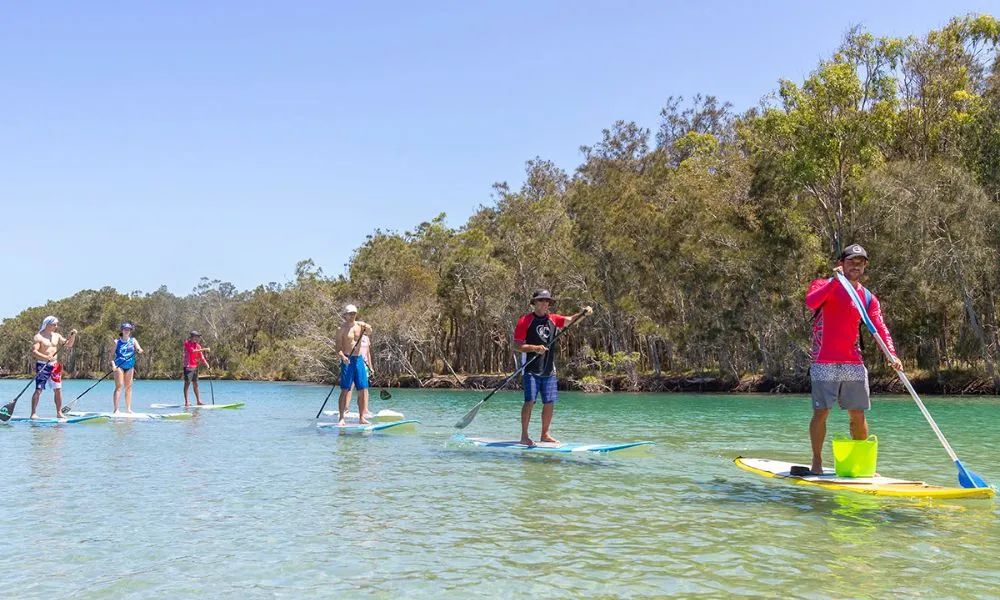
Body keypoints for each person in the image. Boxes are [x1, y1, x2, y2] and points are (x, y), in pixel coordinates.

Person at [805, 244, 902, 474]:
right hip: (824, 361)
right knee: (822, 412)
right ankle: (817, 461)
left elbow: (879, 327)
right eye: (851, 261)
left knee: (858, 414)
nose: (855, 265)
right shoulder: (824, 285)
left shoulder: (868, 298)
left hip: (853, 362)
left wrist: (892, 354)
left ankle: (860, 464)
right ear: (842, 263)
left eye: (860, 262)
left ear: (865, 266)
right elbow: (811, 302)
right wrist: (834, 281)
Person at [513, 290, 592, 446]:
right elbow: (517, 345)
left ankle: (545, 434)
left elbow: (571, 320)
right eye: (540, 301)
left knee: (549, 402)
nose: (544, 304)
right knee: (530, 401)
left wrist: (583, 313)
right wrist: (535, 348)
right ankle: (524, 436)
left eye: (546, 301)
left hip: (548, 369)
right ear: (534, 303)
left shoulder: (553, 319)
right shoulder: (525, 321)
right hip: (530, 368)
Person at [30, 316, 78, 419]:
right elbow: (34, 352)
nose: (56, 326)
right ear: (47, 324)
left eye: (56, 324)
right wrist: (46, 357)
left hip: (55, 366)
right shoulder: (39, 336)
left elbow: (68, 344)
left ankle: (59, 413)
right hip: (42, 365)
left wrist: (73, 335)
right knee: (39, 389)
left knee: (58, 389)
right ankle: (33, 413)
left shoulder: (57, 336)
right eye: (54, 324)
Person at [335, 304, 372, 425]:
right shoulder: (341, 329)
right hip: (347, 360)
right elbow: (338, 348)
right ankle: (341, 418)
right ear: (345, 315)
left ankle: (361, 417)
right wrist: (343, 357)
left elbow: (370, 331)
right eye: (350, 313)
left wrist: (367, 325)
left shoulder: (360, 326)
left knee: (362, 388)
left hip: (359, 359)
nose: (352, 316)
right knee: (345, 389)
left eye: (354, 313)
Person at [111, 323, 144, 414]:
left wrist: (139, 350)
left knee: (128, 387)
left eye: (128, 329)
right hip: (119, 366)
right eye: (125, 329)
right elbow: (111, 356)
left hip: (129, 366)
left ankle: (128, 409)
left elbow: (139, 348)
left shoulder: (133, 340)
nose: (127, 331)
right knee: (119, 386)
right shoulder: (117, 342)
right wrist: (113, 365)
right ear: (122, 330)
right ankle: (116, 409)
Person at [182, 331, 211, 407]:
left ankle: (198, 401)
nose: (197, 338)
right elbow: (192, 351)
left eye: (198, 337)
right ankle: (186, 402)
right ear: (192, 336)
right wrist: (204, 349)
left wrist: (207, 365)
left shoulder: (198, 345)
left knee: (196, 384)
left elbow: (201, 357)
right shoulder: (187, 343)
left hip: (195, 366)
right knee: (187, 384)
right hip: (188, 366)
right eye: (196, 336)